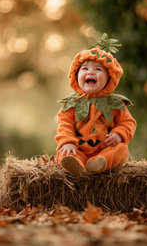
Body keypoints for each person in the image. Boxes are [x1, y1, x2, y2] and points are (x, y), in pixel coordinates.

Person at [55, 35, 136, 176]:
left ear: (109, 77)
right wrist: (67, 142)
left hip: (106, 149)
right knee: (64, 153)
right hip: (78, 149)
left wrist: (119, 134)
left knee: (121, 149)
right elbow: (64, 125)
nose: (90, 72)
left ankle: (100, 163)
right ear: (76, 75)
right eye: (85, 69)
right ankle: (75, 165)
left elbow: (128, 122)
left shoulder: (115, 104)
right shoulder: (71, 104)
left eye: (98, 70)